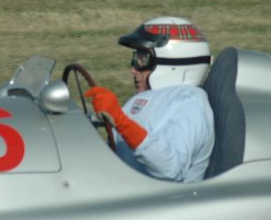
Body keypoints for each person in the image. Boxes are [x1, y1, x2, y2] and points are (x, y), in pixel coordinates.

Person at [85, 16, 215, 183]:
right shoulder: (146, 99)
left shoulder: (191, 105)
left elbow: (170, 167)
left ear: (172, 62)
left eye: (142, 59)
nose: (133, 69)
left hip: (162, 204)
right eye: (135, 58)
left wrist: (119, 120)